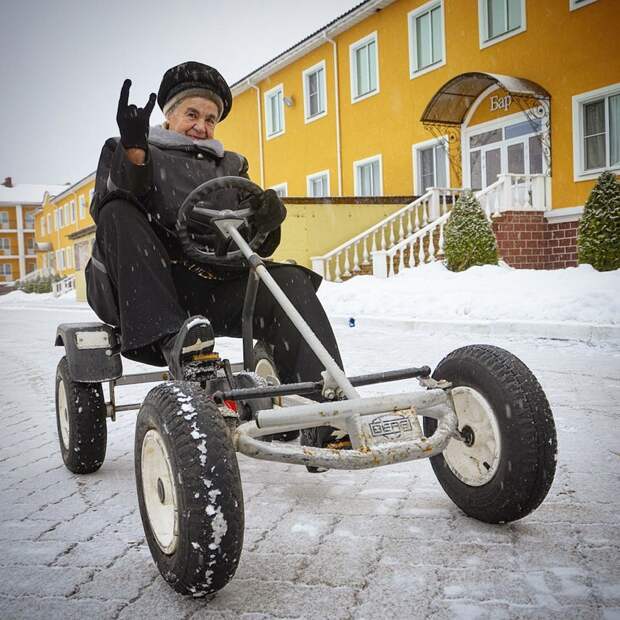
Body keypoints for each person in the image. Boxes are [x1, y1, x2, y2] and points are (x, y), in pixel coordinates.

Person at [85, 61, 343, 450]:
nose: (201, 126)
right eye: (192, 114)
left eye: (211, 118)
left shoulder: (231, 166)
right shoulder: (132, 150)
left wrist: (268, 220)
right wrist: (135, 153)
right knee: (117, 209)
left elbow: (257, 244)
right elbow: (113, 205)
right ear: (168, 116)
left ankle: (324, 412)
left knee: (288, 280)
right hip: (149, 288)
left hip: (215, 286)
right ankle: (174, 339)